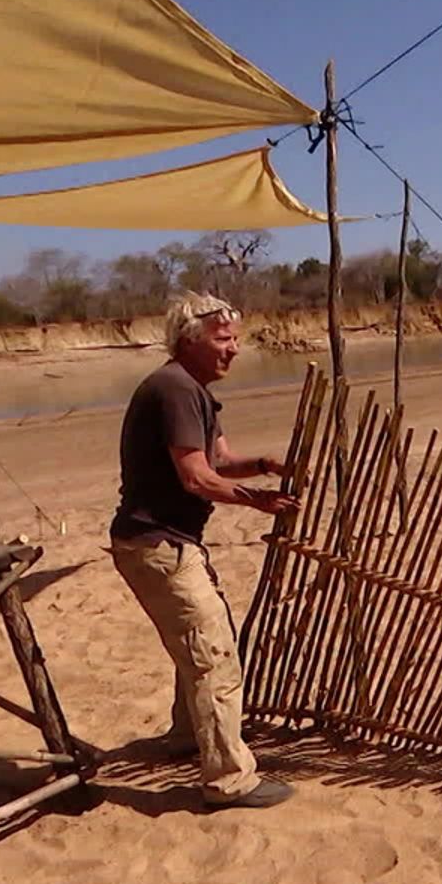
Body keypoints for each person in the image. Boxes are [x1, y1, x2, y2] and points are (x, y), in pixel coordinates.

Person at [109, 292, 301, 811]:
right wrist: (258, 501)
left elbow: (218, 461)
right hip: (156, 543)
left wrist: (263, 465)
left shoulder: (192, 391)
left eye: (235, 339)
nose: (233, 349)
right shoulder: (174, 389)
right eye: (222, 339)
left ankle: (185, 737)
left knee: (197, 643)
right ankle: (228, 780)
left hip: (163, 542)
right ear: (189, 340)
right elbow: (196, 478)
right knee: (212, 654)